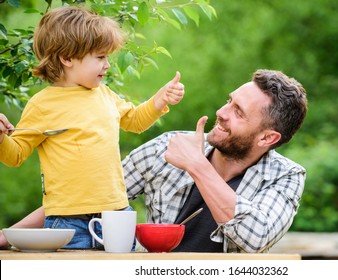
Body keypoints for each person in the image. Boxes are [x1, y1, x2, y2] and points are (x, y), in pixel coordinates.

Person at [0, 69, 307, 253]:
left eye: (239, 112)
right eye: (229, 101)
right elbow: (86, 196)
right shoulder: (168, 146)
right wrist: (6, 236)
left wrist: (197, 166)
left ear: (267, 138)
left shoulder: (286, 176)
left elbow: (256, 237)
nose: (222, 112)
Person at [0, 6, 184, 249]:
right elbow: (15, 155)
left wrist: (158, 101)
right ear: (67, 58)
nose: (107, 65)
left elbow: (136, 121)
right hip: (67, 222)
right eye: (100, 58)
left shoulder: (105, 94)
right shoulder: (42, 104)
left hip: (116, 214)